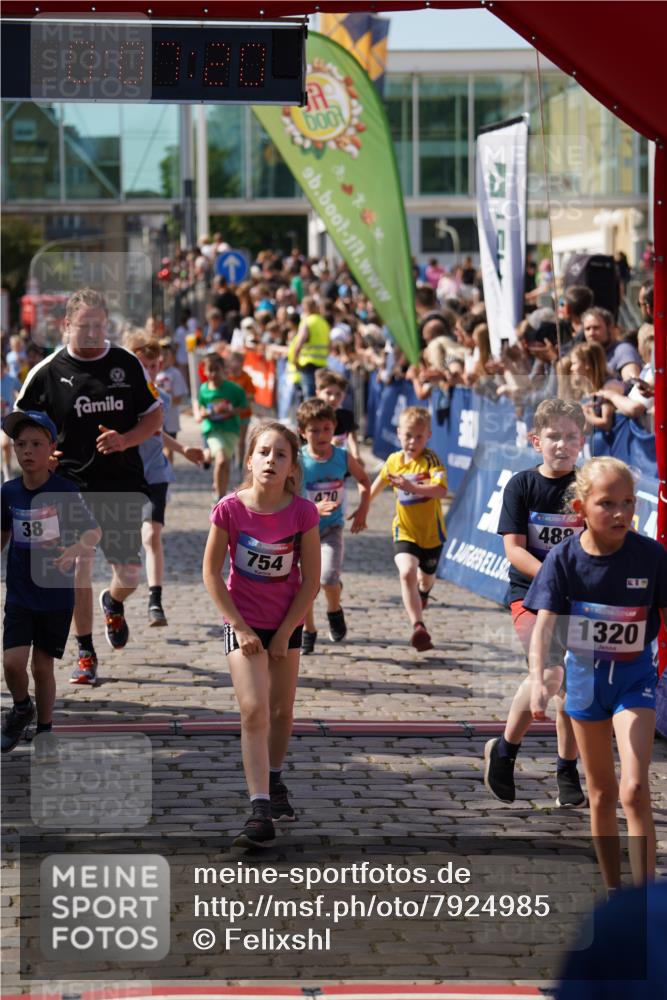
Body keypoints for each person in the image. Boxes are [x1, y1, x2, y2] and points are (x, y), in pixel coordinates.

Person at [526, 457, 667, 890]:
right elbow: (545, 623)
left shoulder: (651, 556)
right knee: (603, 796)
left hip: (635, 680)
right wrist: (538, 680)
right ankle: (613, 892)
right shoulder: (564, 559)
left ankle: (644, 900)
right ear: (581, 507)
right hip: (585, 685)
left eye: (628, 502)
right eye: (608, 503)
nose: (621, 512)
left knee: (634, 790)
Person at [15, 288, 162, 685]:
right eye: (86, 325)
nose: (95, 332)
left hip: (120, 483)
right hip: (70, 485)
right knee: (79, 566)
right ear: (66, 326)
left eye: (100, 325)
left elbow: (154, 416)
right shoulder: (46, 372)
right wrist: (43, 455)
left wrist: (126, 439)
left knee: (130, 573)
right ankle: (85, 651)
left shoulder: (126, 363)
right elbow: (17, 428)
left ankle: (113, 602)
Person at [202, 421, 320, 848]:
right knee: (254, 710)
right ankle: (259, 809)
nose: (271, 460)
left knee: (282, 712)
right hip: (244, 621)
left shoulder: (303, 513)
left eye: (281, 454)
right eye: (264, 452)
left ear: (292, 467)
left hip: (286, 623)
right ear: (248, 460)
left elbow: (310, 581)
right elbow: (211, 573)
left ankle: (274, 779)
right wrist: (240, 626)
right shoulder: (229, 509)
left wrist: (286, 631)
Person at [484, 399, 587, 807]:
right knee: (549, 675)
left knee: (577, 688)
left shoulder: (587, 488)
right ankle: (505, 752)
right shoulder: (522, 486)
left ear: (582, 441)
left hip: (580, 602)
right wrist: (552, 578)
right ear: (535, 439)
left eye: (570, 437)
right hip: (529, 596)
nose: (561, 445)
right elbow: (513, 549)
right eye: (553, 436)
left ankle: (566, 770)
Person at [1, 410, 100, 753]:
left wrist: (75, 548)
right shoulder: (8, 492)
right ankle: (21, 706)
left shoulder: (64, 491)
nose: (27, 451)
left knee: (42, 667)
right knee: (12, 663)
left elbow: (93, 531)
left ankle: (45, 730)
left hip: (56, 596)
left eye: (35, 444)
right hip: (19, 594)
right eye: (20, 444)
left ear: (51, 449)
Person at [126, 332, 204, 629]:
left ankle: (155, 599)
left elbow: (156, 432)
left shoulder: (162, 398)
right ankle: (115, 600)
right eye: (143, 364)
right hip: (124, 476)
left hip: (155, 473)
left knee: (152, 536)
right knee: (124, 547)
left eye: (155, 365)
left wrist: (184, 449)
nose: (150, 371)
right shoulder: (116, 397)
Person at [368, 406, 448, 652]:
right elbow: (378, 485)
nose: (413, 441)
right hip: (405, 530)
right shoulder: (393, 461)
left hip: (432, 534)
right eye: (408, 435)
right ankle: (418, 627)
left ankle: (425, 592)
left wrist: (412, 487)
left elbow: (441, 490)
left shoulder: (431, 460)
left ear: (428, 437)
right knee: (406, 572)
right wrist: (362, 509)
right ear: (399, 433)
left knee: (426, 578)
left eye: (419, 437)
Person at [297, 398, 370, 655]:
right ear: (302, 432)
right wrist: (308, 510)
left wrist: (363, 508)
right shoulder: (298, 461)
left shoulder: (342, 457)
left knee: (328, 579)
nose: (321, 435)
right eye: (313, 430)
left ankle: (333, 609)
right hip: (303, 532)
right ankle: (308, 629)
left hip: (331, 529)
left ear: (335, 427)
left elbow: (363, 479)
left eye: (326, 429)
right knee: (305, 583)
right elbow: (288, 494)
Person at [196, 352, 247, 501]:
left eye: (216, 369)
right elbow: (201, 408)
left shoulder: (233, 389)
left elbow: (243, 406)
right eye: (210, 370)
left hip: (231, 430)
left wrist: (231, 410)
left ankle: (221, 494)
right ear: (204, 371)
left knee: (226, 464)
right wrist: (205, 413)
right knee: (221, 460)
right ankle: (218, 497)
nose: (213, 374)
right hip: (213, 430)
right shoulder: (204, 389)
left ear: (223, 369)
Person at [582, 307, 641, 381]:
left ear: (610, 328)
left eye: (596, 328)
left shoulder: (623, 350)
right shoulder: (587, 356)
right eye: (587, 329)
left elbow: (632, 382)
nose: (591, 333)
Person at [314, 369, 361, 461]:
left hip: (340, 464)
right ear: (318, 393)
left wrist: (356, 454)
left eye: (338, 394)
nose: (333, 398)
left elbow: (351, 434)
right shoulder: (312, 417)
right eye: (328, 393)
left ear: (344, 396)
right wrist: (328, 444)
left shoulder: (346, 415)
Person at [291, 297, 331, 399]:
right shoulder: (324, 323)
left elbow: (299, 342)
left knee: (309, 397)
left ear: (306, 308)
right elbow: (329, 344)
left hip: (308, 364)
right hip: (322, 364)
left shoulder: (307, 322)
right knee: (320, 396)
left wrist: (294, 360)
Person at [225, 350, 255, 465]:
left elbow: (251, 396)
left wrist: (239, 398)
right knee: (230, 438)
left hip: (243, 414)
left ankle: (239, 464)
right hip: (229, 415)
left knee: (241, 441)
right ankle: (229, 458)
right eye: (232, 362)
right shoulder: (226, 378)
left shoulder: (246, 378)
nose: (234, 365)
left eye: (237, 362)